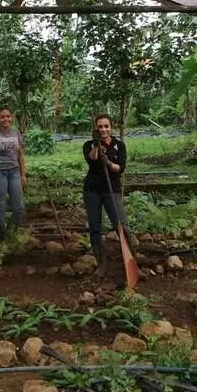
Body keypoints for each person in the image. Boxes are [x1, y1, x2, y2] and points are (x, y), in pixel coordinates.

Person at [82, 113, 135, 277]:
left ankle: (133, 264)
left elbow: (121, 168)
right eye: (100, 127)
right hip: (92, 191)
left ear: (111, 127)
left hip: (112, 190)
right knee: (95, 229)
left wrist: (110, 164)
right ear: (96, 129)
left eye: (106, 126)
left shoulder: (119, 145)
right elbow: (92, 159)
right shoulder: (89, 144)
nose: (103, 129)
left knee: (122, 227)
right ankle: (102, 265)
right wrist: (97, 145)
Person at [0, 106, 26, 240]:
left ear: (11, 118)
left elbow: (20, 154)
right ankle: (1, 237)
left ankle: (12, 233)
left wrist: (22, 174)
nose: (6, 119)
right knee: (0, 204)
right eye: (2, 117)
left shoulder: (16, 132)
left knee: (17, 206)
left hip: (14, 172)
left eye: (8, 116)